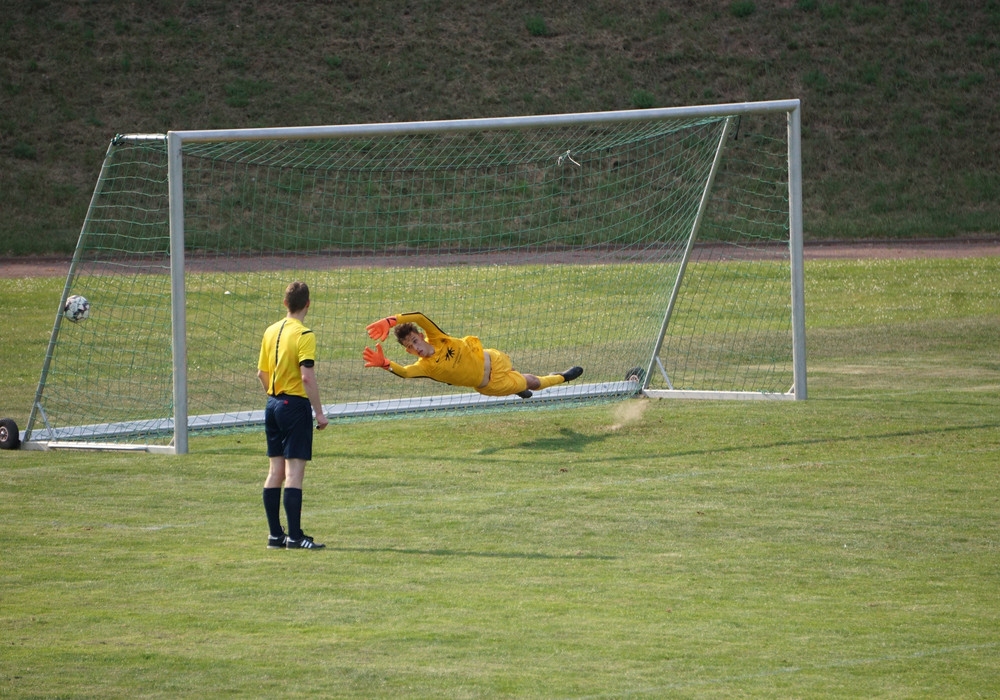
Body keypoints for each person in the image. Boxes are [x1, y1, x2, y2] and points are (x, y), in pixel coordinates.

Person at [257, 281, 329, 550]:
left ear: (285, 303)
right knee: (294, 474)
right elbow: (306, 377)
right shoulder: (304, 334)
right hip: (294, 406)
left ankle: (276, 536)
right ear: (308, 304)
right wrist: (319, 413)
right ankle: (296, 537)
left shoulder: (270, 331)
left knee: (275, 471)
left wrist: (275, 397)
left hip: (272, 404)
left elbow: (261, 373)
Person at [363, 312, 583, 398]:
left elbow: (419, 317)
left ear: (421, 336)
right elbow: (404, 372)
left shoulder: (437, 337)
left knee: (515, 373)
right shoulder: (426, 367)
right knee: (533, 382)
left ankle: (518, 386)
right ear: (408, 351)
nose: (415, 347)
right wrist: (385, 363)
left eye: (414, 340)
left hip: (493, 358)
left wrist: (391, 321)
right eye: (410, 347)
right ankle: (562, 377)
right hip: (491, 383)